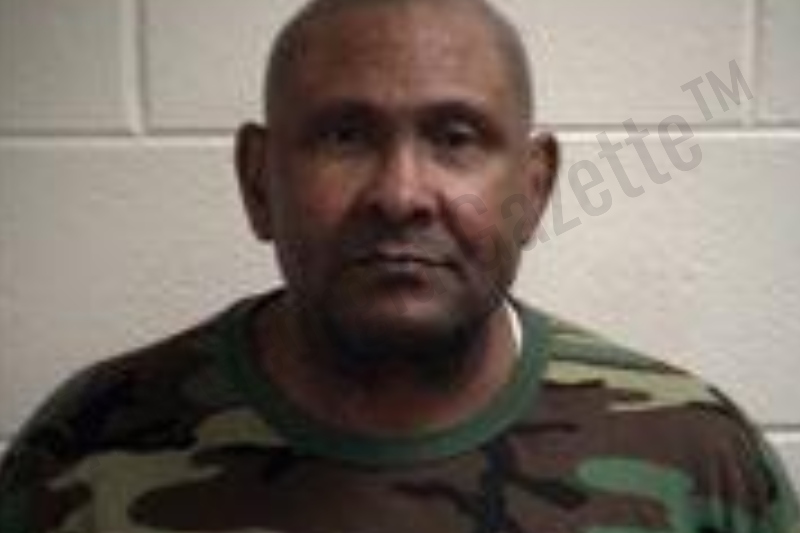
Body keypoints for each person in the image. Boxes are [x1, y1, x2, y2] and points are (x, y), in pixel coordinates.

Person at [1, 0, 797, 531]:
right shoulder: (84, 451)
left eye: (455, 138)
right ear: (258, 181)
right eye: (344, 136)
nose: (401, 194)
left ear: (533, 188)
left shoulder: (699, 461)